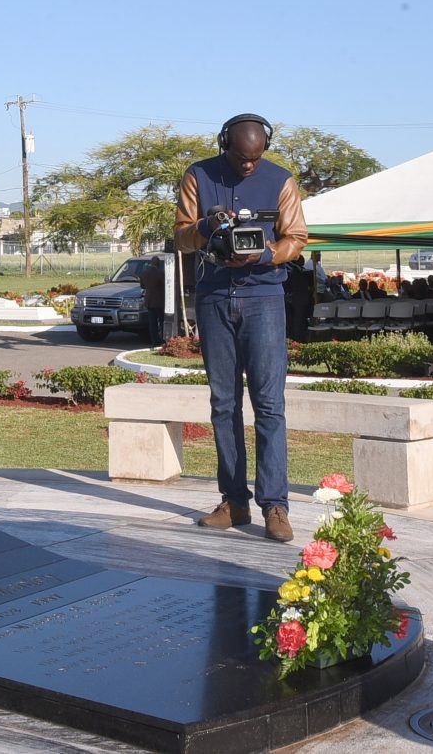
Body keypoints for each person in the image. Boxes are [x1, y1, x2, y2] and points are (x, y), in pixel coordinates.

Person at [174, 112, 308, 543]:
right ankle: (234, 502)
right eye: (240, 157)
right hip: (214, 296)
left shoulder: (282, 180)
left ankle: (276, 506)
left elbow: (298, 237)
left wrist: (265, 255)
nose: (248, 165)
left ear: (264, 147)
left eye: (255, 158)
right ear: (224, 144)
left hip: (264, 297)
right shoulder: (198, 176)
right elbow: (180, 237)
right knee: (223, 404)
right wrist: (205, 226)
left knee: (269, 404)